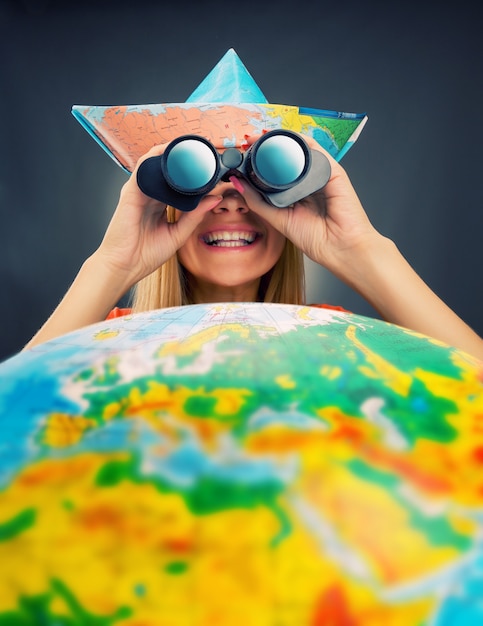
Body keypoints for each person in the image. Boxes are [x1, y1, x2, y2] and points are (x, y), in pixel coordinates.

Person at [25, 134, 483, 361]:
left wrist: (360, 249)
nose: (230, 204)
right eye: (207, 186)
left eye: (251, 188)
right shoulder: (101, 340)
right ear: (167, 207)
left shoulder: (335, 338)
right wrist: (112, 264)